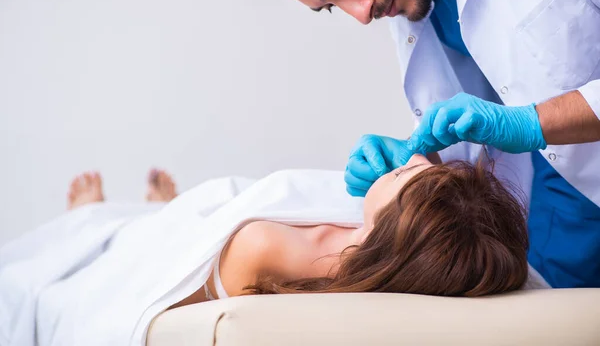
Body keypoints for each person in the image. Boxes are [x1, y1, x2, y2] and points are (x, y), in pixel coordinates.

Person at [244, 0, 600, 288]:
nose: (361, 14)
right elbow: (475, 117)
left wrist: (532, 124)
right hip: (550, 232)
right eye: (332, 6)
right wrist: (418, 158)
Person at [61, 155, 543, 314]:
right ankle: (151, 214)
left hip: (175, 247)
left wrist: (170, 229)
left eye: (403, 176)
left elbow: (149, 293)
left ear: (389, 230)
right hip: (205, 222)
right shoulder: (385, 249)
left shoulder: (265, 247)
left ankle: (94, 220)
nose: (415, 156)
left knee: (111, 240)